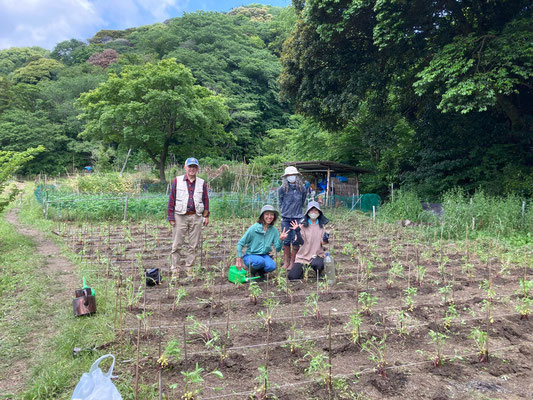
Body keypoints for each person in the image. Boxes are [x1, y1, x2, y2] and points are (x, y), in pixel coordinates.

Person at [168, 157, 209, 279]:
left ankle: (189, 268)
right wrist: (171, 216)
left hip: (196, 216)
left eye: (194, 167)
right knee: (177, 244)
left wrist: (206, 216)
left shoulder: (202, 183)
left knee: (193, 245)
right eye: (190, 166)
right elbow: (171, 199)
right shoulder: (177, 181)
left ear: (197, 169)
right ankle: (175, 269)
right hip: (180, 216)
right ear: (185, 168)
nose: (192, 169)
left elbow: (205, 200)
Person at [236, 205, 289, 280]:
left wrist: (281, 240)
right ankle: (253, 272)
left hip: (264, 255)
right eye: (267, 214)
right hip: (250, 255)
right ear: (262, 216)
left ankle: (260, 273)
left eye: (272, 214)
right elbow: (240, 243)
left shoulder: (273, 231)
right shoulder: (254, 228)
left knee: (272, 266)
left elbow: (277, 249)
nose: (269, 217)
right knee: (259, 261)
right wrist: (238, 258)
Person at [288, 201, 329, 281]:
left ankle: (318, 273)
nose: (313, 212)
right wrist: (297, 231)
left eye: (316, 210)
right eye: (311, 210)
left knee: (318, 265)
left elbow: (323, 243)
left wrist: (326, 238)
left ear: (319, 213)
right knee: (292, 277)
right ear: (308, 212)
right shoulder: (303, 226)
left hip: (317, 255)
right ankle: (303, 270)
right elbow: (301, 242)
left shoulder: (322, 226)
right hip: (303, 257)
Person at [278, 166, 307, 270]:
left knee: (296, 239)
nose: (291, 177)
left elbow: (302, 202)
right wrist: (285, 212)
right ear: (286, 177)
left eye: (293, 175)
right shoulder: (282, 189)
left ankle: (293, 262)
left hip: (298, 218)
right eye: (289, 175)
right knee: (286, 240)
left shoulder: (302, 189)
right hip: (285, 217)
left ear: (297, 176)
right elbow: (280, 202)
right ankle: (286, 261)